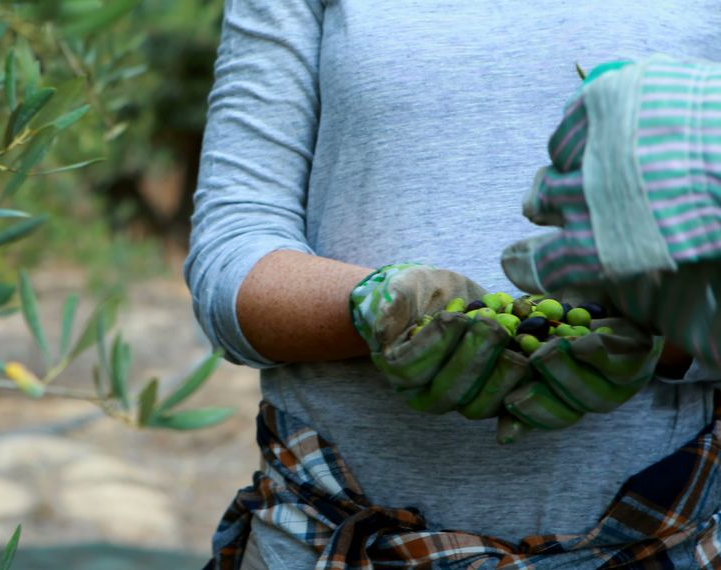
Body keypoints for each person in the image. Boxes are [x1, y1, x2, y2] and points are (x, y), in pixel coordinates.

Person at [184, 1, 721, 568]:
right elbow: (231, 263)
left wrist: (674, 329)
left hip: (663, 540)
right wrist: (380, 308)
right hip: (331, 538)